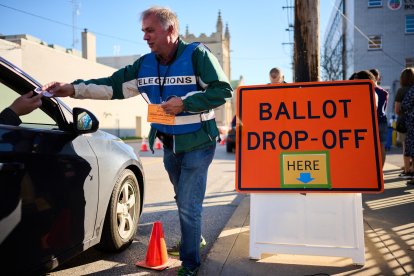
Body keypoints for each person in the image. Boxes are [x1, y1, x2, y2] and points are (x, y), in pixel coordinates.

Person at [42, 6, 232, 275]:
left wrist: (186, 103)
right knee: (183, 198)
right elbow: (110, 85)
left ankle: (190, 263)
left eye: (150, 30)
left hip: (199, 144)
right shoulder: (145, 64)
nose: (145, 37)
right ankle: (194, 236)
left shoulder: (197, 55)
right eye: (143, 31)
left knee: (189, 205)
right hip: (170, 143)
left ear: (171, 30)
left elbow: (224, 91)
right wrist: (71, 89)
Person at [349, 70, 388, 168]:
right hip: (382, 120)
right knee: (381, 147)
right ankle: (380, 171)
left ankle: (372, 170)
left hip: (371, 122)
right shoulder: (383, 92)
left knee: (369, 148)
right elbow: (384, 108)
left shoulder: (363, 91)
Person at [394, 68, 414, 178]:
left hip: (404, 123)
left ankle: (407, 170)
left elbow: (397, 110)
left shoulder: (401, 91)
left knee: (406, 146)